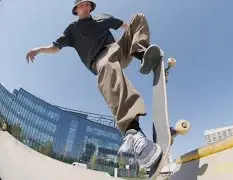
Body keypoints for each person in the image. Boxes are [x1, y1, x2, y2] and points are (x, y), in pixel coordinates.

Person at [25, 0, 163, 169]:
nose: (85, 8)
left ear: (91, 7)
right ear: (76, 10)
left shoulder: (103, 18)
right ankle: (133, 132)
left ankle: (142, 54)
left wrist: (135, 35)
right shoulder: (72, 30)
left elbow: (126, 26)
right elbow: (55, 47)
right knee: (106, 66)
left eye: (88, 5)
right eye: (81, 6)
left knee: (138, 18)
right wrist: (37, 50)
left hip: (118, 49)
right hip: (100, 60)